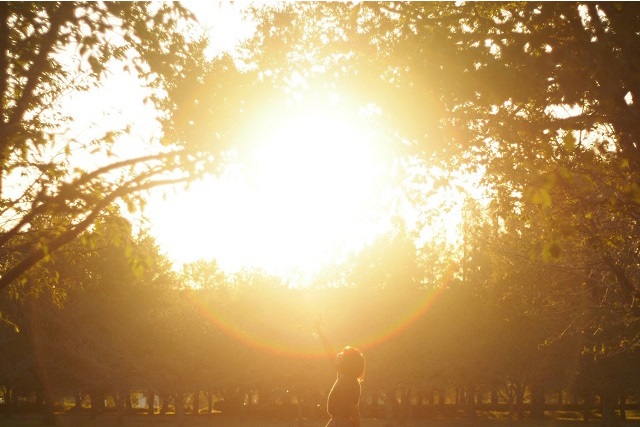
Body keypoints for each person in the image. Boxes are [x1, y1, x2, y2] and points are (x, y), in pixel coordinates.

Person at [316, 321, 365, 427]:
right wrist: (320, 333)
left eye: (342, 354)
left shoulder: (349, 383)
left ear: (347, 363)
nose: (338, 354)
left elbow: (354, 410)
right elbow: (330, 352)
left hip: (342, 423)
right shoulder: (343, 376)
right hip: (336, 422)